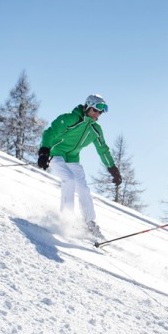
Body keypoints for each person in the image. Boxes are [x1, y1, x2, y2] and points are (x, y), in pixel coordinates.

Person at [37, 94, 121, 238]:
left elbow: (103, 150)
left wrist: (113, 169)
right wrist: (44, 151)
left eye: (101, 112)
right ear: (88, 107)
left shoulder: (95, 129)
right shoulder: (70, 118)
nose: (98, 114)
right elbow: (50, 132)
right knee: (69, 180)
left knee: (83, 188)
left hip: (73, 159)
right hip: (55, 153)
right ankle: (66, 219)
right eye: (96, 110)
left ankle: (89, 223)